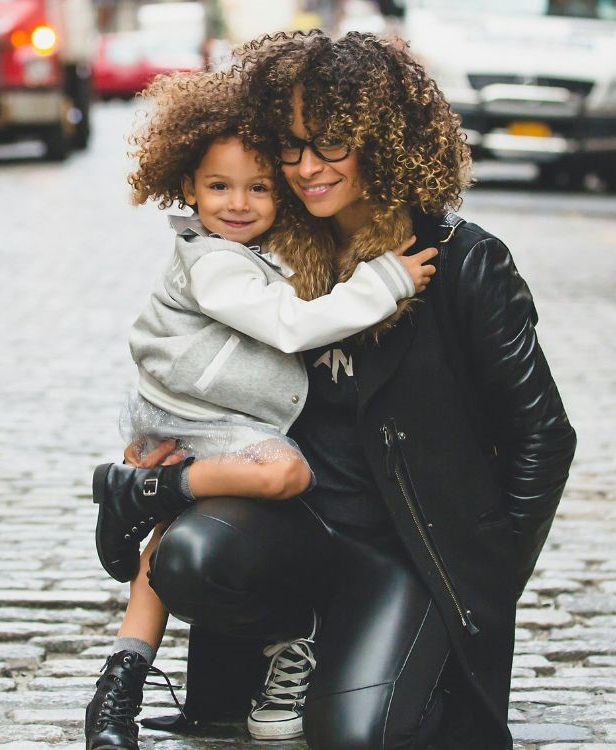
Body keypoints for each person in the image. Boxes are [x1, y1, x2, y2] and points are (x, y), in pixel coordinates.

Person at [136, 30, 578, 750]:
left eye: (332, 143)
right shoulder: (268, 252)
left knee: (356, 736)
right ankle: (299, 643)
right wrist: (166, 445)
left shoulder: (463, 263)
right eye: (292, 145)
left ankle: (395, 655)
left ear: (382, 139)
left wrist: (485, 580)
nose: (307, 167)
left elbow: (543, 436)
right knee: (189, 558)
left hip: (407, 552)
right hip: (297, 530)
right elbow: (199, 365)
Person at [85, 69, 439, 750]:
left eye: (259, 188)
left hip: (192, 417)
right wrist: (387, 280)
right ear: (187, 188)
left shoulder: (252, 250)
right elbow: (289, 326)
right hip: (201, 420)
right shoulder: (214, 262)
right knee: (284, 474)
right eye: (220, 187)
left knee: (166, 544)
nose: (240, 203)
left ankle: (118, 685)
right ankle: (144, 490)